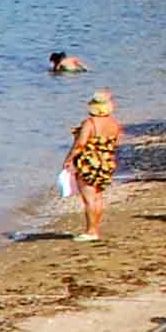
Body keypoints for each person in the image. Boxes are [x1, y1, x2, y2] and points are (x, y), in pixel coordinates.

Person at [66, 91, 121, 237]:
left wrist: (69, 159)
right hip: (106, 161)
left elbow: (80, 144)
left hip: (89, 162)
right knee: (97, 197)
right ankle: (95, 228)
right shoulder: (114, 123)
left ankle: (91, 231)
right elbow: (115, 142)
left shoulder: (90, 123)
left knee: (89, 198)